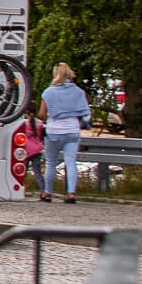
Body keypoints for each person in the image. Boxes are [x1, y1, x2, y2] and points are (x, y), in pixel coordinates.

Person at [37, 62, 92, 203]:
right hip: (72, 131)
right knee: (71, 162)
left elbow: (42, 114)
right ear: (69, 74)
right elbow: (85, 113)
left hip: (54, 132)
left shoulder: (48, 92)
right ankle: (71, 193)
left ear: (55, 74)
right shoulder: (79, 92)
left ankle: (47, 193)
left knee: (51, 163)